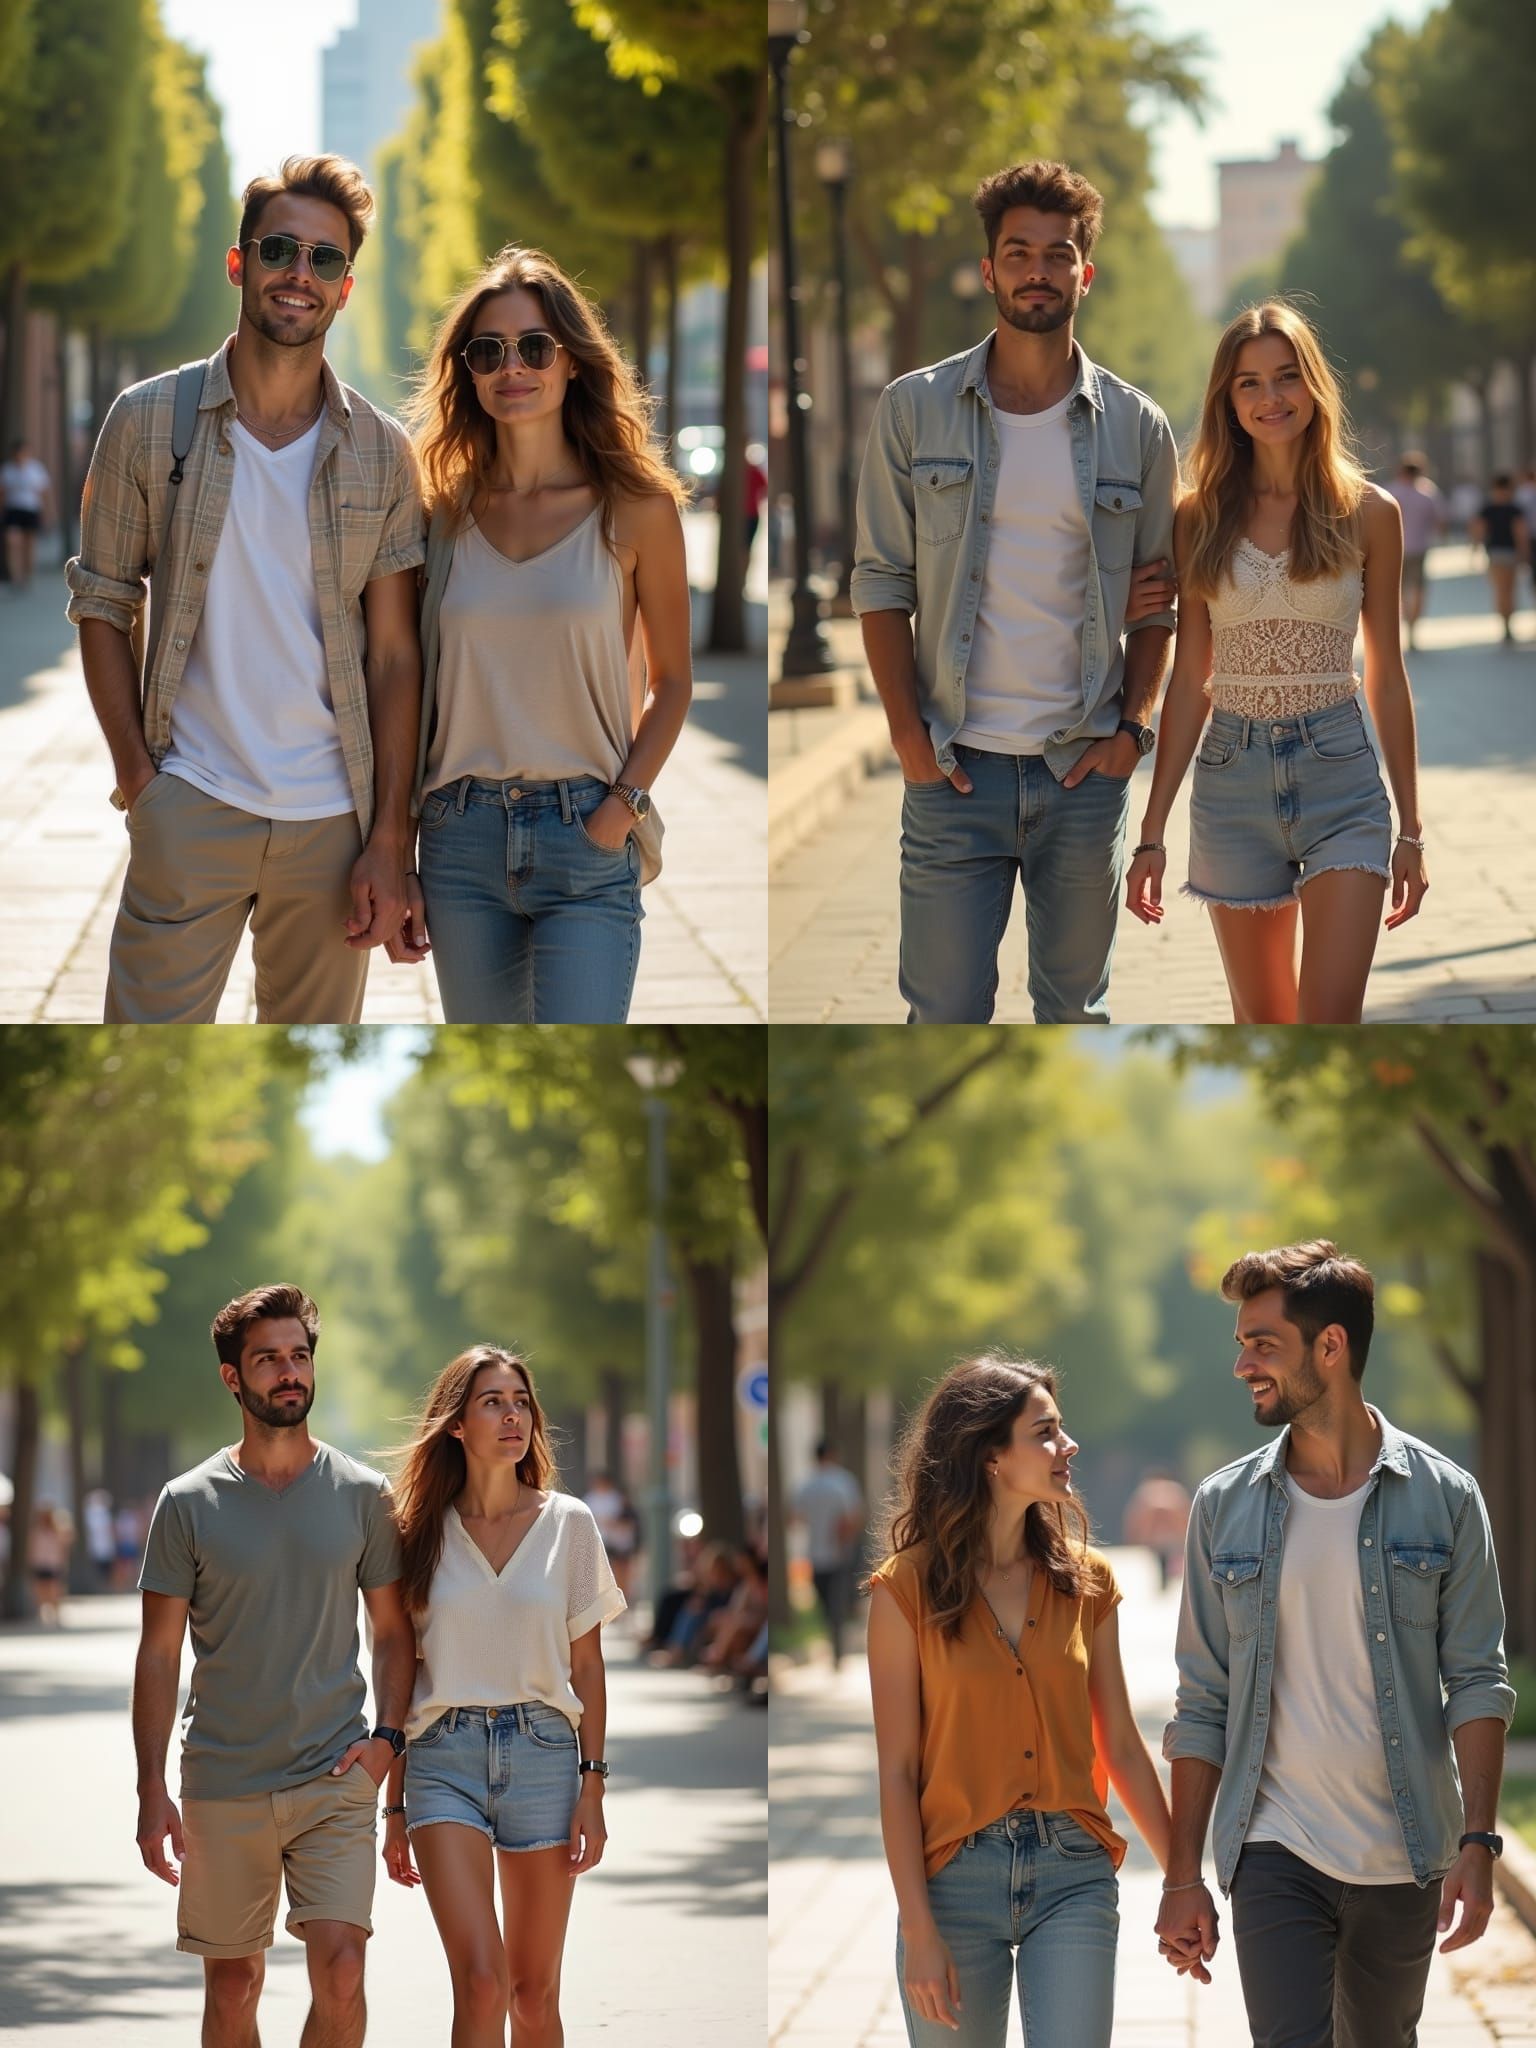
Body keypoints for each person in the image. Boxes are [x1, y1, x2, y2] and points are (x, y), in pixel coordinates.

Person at [66, 154, 426, 1026]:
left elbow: (393, 656)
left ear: (345, 288)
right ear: (239, 263)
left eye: (325, 259)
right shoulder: (146, 420)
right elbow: (103, 603)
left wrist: (390, 838)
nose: (300, 273)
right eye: (279, 250)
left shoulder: (381, 452)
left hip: (332, 827)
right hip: (189, 803)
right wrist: (141, 783)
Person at [1157, 1242, 1515, 2048]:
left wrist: (1479, 1842)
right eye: (1242, 1343)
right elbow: (1202, 1701)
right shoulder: (1224, 1506)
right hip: (1272, 1844)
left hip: (1404, 1850)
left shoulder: (1446, 1499)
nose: (1243, 1365)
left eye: (1263, 1344)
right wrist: (1182, 1878)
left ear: (1330, 1346)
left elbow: (1477, 1681)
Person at [852, 158, 1179, 1025]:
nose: (1039, 270)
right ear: (990, 270)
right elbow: (880, 580)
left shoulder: (1138, 427)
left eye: (1057, 254)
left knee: (1076, 1017)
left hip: (1083, 773)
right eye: (1019, 253)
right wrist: (907, 735)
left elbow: (1160, 600)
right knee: (942, 1017)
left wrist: (1134, 731)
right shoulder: (914, 409)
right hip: (955, 768)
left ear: (1085, 274)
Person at [389, 246, 692, 1022]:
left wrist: (619, 811)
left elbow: (673, 682)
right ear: (467, 372)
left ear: (573, 362)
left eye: (534, 346)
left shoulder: (638, 508)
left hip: (585, 833)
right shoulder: (439, 514)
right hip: (458, 839)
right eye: (487, 352)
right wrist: (398, 849)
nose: (511, 367)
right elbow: (403, 676)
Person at [868, 1357, 1186, 2046]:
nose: (1067, 1445)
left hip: (1073, 1872)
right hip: (953, 1881)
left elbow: (1120, 1743)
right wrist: (918, 1929)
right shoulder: (905, 1588)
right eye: (1045, 1433)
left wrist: (1182, 1880)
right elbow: (896, 1771)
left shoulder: (1087, 1581)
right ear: (989, 1455)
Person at [1125, 302, 1428, 1025]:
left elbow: (1387, 676)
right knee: (1263, 1025)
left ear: (1314, 385)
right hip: (1231, 781)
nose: (1271, 397)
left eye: (1287, 376)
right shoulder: (1198, 516)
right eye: (1249, 383)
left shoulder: (1370, 512)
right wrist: (1151, 833)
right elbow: (1191, 678)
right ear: (1228, 402)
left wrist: (1412, 832)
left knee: (1330, 1019)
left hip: (1341, 781)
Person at [132, 1283, 415, 2048]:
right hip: (224, 1777)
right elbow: (158, 1654)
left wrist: (387, 1742)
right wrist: (151, 1786)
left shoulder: (364, 1496)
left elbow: (393, 1631)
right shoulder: (187, 1503)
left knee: (343, 1972)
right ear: (233, 1377)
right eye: (268, 1360)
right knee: (233, 1986)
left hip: (335, 1772)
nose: (290, 1372)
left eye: (299, 1356)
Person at [381, 1345, 625, 2048]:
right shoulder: (415, 1534)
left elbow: (588, 1666)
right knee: (482, 1983)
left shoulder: (569, 1524)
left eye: (521, 1402)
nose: (513, 1415)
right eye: (493, 1402)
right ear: (456, 1424)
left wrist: (593, 1786)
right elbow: (401, 1671)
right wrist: (393, 1806)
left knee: (533, 1996)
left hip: (544, 1757)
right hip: (442, 1759)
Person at [793, 1441, 865, 1669]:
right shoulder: (843, 1481)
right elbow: (853, 1517)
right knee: (837, 1601)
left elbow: (796, 1517)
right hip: (839, 1553)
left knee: (825, 1603)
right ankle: (837, 1644)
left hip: (815, 1554)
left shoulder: (806, 1485)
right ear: (833, 1455)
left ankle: (834, 1642)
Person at [1386, 454, 1444, 650]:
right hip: (1420, 548)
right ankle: (1413, 626)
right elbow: (1439, 521)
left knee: (1399, 588)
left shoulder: (1391, 493)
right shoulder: (1428, 493)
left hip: (1395, 548)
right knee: (1418, 587)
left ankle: (1406, 621)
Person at [1469, 474, 1529, 645]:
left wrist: (1475, 549)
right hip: (1510, 553)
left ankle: (1505, 623)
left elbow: (1479, 530)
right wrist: (1524, 554)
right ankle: (1508, 623)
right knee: (1510, 590)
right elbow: (1520, 533)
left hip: (1495, 552)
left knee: (1500, 590)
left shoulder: (1488, 508)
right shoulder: (1514, 509)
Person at [2, 437, 52, 589]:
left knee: (29, 545)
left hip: (31, 509)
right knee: (13, 542)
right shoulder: (7, 470)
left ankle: (28, 575)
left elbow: (44, 493)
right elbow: (2, 493)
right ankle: (16, 577)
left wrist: (47, 514)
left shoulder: (36, 469)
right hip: (13, 510)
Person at [583, 1469, 638, 1603]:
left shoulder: (617, 1499)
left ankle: (622, 1599)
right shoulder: (590, 1499)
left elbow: (626, 1519)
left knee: (620, 1571)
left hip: (618, 1542)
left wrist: (611, 1522)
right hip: (599, 1540)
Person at [29, 1502, 71, 1624]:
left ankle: (56, 1614)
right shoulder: (36, 1531)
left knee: (54, 1590)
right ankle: (41, 1614)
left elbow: (64, 1547)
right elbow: (31, 1548)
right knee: (40, 1590)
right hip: (40, 1563)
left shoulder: (57, 1531)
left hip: (53, 1564)